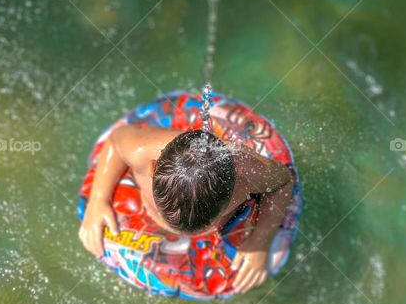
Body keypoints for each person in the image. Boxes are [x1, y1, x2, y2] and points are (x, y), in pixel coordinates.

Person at [78, 125, 293, 293]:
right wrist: (98, 199)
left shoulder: (246, 172)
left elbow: (284, 182)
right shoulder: (141, 151)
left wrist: (260, 240)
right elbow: (117, 140)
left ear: (234, 189)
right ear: (153, 167)